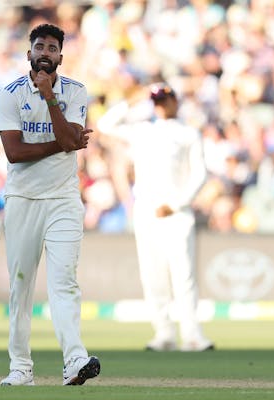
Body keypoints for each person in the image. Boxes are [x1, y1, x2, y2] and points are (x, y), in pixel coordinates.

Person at [0, 23, 101, 386]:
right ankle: (20, 367)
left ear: (60, 56)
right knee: (21, 287)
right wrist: (64, 143)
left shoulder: (75, 91)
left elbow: (71, 136)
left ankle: (75, 360)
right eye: (39, 46)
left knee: (64, 282)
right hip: (23, 199)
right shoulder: (9, 94)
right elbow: (15, 153)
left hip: (63, 200)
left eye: (52, 47)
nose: (45, 52)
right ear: (29, 53)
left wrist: (50, 97)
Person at [97, 82, 214, 352]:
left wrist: (176, 203)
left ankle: (193, 334)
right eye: (156, 101)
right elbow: (105, 124)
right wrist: (132, 100)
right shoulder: (143, 131)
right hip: (147, 211)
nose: (160, 105)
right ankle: (164, 334)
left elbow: (199, 174)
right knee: (153, 275)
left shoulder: (188, 133)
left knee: (183, 275)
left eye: (165, 99)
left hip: (177, 213)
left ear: (175, 101)